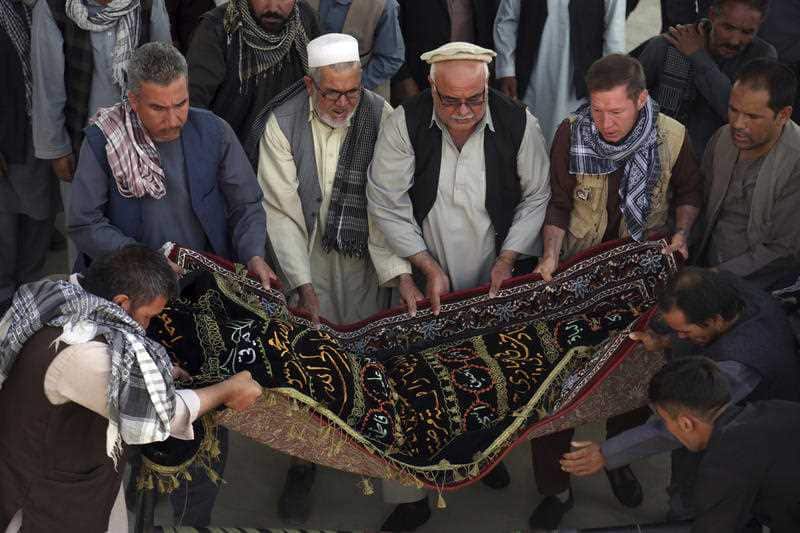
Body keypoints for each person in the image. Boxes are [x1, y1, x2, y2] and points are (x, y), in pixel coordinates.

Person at [67, 42, 276, 525]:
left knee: (204, 408)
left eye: (180, 102)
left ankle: (191, 517)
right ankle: (128, 509)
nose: (174, 117)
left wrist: (254, 255)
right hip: (129, 300)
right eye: (159, 107)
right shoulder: (104, 141)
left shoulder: (213, 131)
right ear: (133, 100)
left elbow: (246, 204)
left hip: (200, 298)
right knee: (126, 405)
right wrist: (148, 264)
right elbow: (83, 222)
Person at [367, 41, 551, 530]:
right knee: (411, 387)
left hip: (491, 276)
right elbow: (385, 201)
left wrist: (509, 258)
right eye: (451, 102)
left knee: (488, 380)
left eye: (476, 99)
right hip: (425, 277)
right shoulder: (404, 123)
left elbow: (537, 196)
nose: (465, 111)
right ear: (432, 89)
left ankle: (479, 461)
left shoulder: (517, 122)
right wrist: (424, 266)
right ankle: (410, 499)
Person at [528, 53, 703, 529]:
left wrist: (681, 234)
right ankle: (556, 489)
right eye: (597, 110)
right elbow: (559, 204)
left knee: (630, 387)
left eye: (616, 112)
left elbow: (688, 194)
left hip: (642, 286)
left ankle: (618, 463)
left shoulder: (673, 136)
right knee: (558, 390)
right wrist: (549, 257)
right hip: (578, 281)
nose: (604, 123)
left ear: (641, 100)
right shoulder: (571, 131)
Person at [257, 32, 418, 524]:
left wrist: (399, 272)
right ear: (310, 85)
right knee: (307, 365)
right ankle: (305, 461)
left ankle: (366, 450)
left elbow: (388, 205)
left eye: (352, 91)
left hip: (368, 261)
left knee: (369, 362)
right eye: (333, 94)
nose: (345, 103)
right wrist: (302, 285)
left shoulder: (382, 116)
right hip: (306, 259)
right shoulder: (281, 123)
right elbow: (282, 212)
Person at [0, 244, 263, 533]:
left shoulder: (63, 292)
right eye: (149, 316)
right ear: (122, 303)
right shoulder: (79, 350)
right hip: (46, 503)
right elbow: (161, 412)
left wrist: (164, 371)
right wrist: (226, 391)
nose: (147, 327)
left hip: (77, 475)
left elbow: (120, 364)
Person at [560, 267, 800, 522]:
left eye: (685, 332)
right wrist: (666, 341)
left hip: (750, 437)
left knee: (697, 491)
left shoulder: (738, 365)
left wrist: (607, 454)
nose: (678, 337)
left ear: (716, 320)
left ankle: (682, 518)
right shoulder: (725, 288)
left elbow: (676, 425)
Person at [31, 0, 172, 267]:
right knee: (85, 232)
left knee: (143, 226)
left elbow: (165, 69)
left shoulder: (147, 4)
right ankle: (89, 301)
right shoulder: (53, 7)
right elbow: (47, 85)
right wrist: (57, 148)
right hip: (83, 143)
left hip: (141, 141)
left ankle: (141, 300)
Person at [647, 357, 800, 533]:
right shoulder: (776, 408)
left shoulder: (724, 465)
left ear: (685, 424)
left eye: (665, 420)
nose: (667, 428)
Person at [694, 58, 800, 290]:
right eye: (733, 110)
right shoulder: (723, 138)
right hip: (703, 267)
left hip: (762, 285)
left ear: (783, 115)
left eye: (752, 117)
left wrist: (712, 278)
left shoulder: (795, 163)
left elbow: (782, 250)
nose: (738, 124)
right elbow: (699, 202)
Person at [637, 0, 776, 158]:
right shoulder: (669, 45)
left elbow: (742, 115)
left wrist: (698, 57)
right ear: (712, 15)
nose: (735, 41)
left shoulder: (761, 57)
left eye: (747, 32)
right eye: (728, 27)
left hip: (714, 169)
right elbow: (628, 99)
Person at [186, 0, 320, 145]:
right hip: (233, 150)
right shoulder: (219, 28)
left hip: (289, 146)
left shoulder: (305, 19)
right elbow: (194, 105)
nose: (273, 7)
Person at [493, 0, 627, 145]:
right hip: (530, 77)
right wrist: (506, 69)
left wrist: (610, 82)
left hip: (579, 84)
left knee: (567, 145)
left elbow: (614, 29)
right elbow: (507, 19)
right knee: (526, 141)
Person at [0, 0, 59, 316]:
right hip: (11, 137)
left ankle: (27, 300)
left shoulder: (33, 8)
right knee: (6, 227)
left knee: (39, 216)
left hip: (36, 135)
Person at [391, 0, 500, 103]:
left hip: (472, 79)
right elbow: (392, 30)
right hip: (420, 79)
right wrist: (403, 76)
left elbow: (490, 25)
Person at [306, 0, 404, 99]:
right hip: (309, 93)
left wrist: (350, 89)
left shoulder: (383, 4)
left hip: (364, 98)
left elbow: (391, 58)